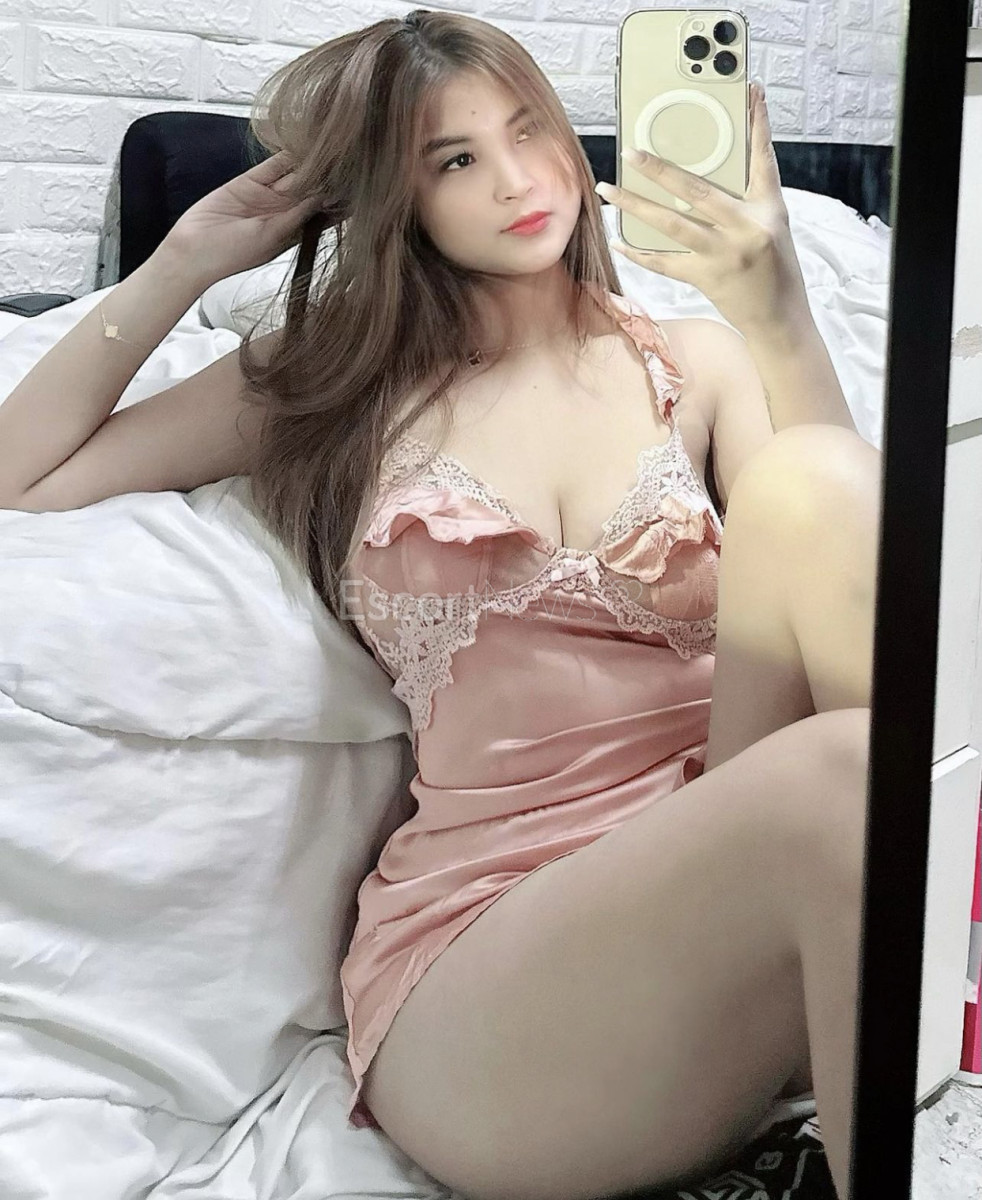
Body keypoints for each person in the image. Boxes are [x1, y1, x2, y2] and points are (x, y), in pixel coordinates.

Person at [0, 11, 881, 1200]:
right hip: (487, 979)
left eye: (530, 131)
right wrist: (186, 259)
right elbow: (21, 476)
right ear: (396, 199)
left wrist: (778, 312)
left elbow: (861, 578)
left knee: (819, 487)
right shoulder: (331, 383)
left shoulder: (695, 362)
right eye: (455, 159)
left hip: (722, 888)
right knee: (842, 773)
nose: (517, 180)